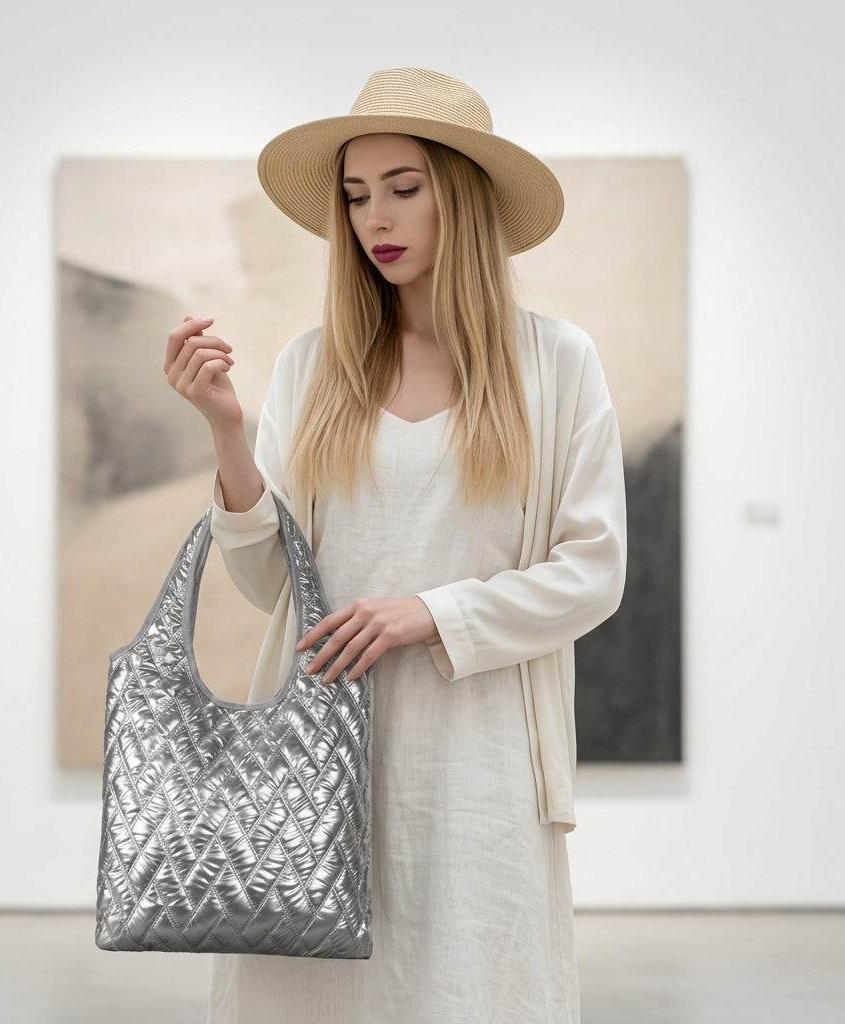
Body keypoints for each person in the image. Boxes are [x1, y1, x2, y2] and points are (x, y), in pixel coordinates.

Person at [163, 67, 626, 1024]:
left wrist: (432, 612)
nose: (377, 216)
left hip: (479, 762)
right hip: (316, 753)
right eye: (356, 193)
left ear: (461, 192)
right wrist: (223, 432)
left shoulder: (557, 365)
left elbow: (593, 570)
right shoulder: (312, 365)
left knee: (469, 991)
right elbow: (267, 580)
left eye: (404, 187)